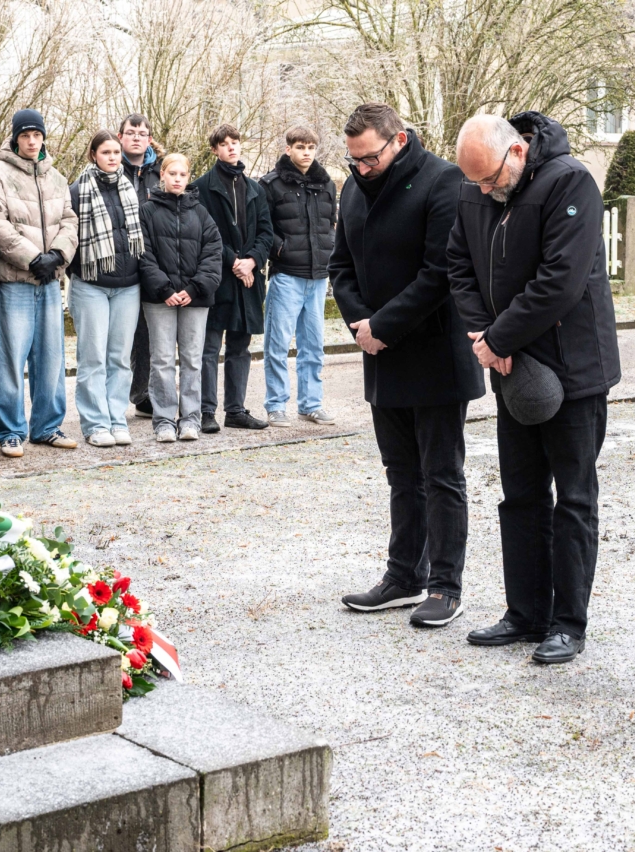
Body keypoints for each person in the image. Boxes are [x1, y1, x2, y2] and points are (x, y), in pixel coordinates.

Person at [447, 112, 620, 664]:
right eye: (474, 182)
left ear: (517, 152)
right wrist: (486, 336)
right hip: (511, 367)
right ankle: (525, 613)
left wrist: (499, 337)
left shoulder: (570, 183)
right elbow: (458, 265)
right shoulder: (478, 187)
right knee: (520, 495)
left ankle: (568, 623)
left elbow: (561, 279)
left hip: (573, 367)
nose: (483, 191)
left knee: (573, 498)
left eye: (490, 179)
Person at [330, 103, 485, 628]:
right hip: (380, 351)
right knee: (401, 473)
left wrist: (383, 325)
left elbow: (439, 272)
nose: (361, 168)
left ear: (398, 140)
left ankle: (445, 586)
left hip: (434, 352)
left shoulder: (444, 181)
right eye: (353, 160)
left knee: (441, 474)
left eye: (369, 158)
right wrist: (361, 324)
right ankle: (403, 576)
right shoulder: (353, 188)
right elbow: (340, 264)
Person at [0, 108, 79, 458]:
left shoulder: (57, 177)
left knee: (51, 358)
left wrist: (57, 255)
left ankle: (47, 427)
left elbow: (70, 220)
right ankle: (10, 432)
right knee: (10, 360)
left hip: (49, 281)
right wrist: (32, 257)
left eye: (37, 135)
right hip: (17, 281)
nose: (32, 141)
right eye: (25, 135)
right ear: (16, 138)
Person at [190, 123, 274, 433]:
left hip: (248, 280)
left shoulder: (255, 188)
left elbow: (266, 232)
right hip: (216, 278)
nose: (231, 147)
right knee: (209, 348)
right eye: (224, 143)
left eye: (235, 142)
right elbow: (205, 232)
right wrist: (235, 262)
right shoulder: (201, 187)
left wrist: (252, 261)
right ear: (215, 149)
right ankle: (206, 411)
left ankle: (236, 410)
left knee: (240, 347)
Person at [67, 130, 145, 448]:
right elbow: (68, 237)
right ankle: (96, 424)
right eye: (105, 152)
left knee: (120, 358)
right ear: (93, 155)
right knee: (93, 358)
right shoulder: (77, 191)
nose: (112, 157)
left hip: (128, 286)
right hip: (91, 286)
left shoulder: (130, 188)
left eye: (115, 152)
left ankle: (117, 419)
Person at [138, 154, 223, 442]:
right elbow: (143, 254)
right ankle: (163, 421)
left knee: (192, 360)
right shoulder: (147, 211)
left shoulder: (201, 213)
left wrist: (195, 288)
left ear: (188, 177)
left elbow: (213, 253)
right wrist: (165, 289)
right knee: (161, 360)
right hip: (159, 300)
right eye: (172, 173)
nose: (177, 179)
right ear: (162, 175)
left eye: (182, 174)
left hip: (194, 300)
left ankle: (190, 420)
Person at [259, 125, 338, 428]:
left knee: (313, 346)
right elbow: (263, 228)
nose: (306, 153)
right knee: (277, 345)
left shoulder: (326, 183)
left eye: (311, 147)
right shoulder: (270, 184)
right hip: (287, 276)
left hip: (318, 277)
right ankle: (276, 405)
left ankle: (311, 404)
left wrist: (330, 250)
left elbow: (331, 224)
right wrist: (281, 249)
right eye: (300, 147)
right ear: (288, 148)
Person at [117, 113, 163, 421]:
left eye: (142, 133)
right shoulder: (109, 166)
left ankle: (143, 394)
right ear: (120, 136)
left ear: (149, 139)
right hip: (120, 263)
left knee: (148, 335)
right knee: (119, 336)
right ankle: (111, 398)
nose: (136, 137)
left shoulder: (161, 172)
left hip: (153, 263)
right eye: (131, 132)